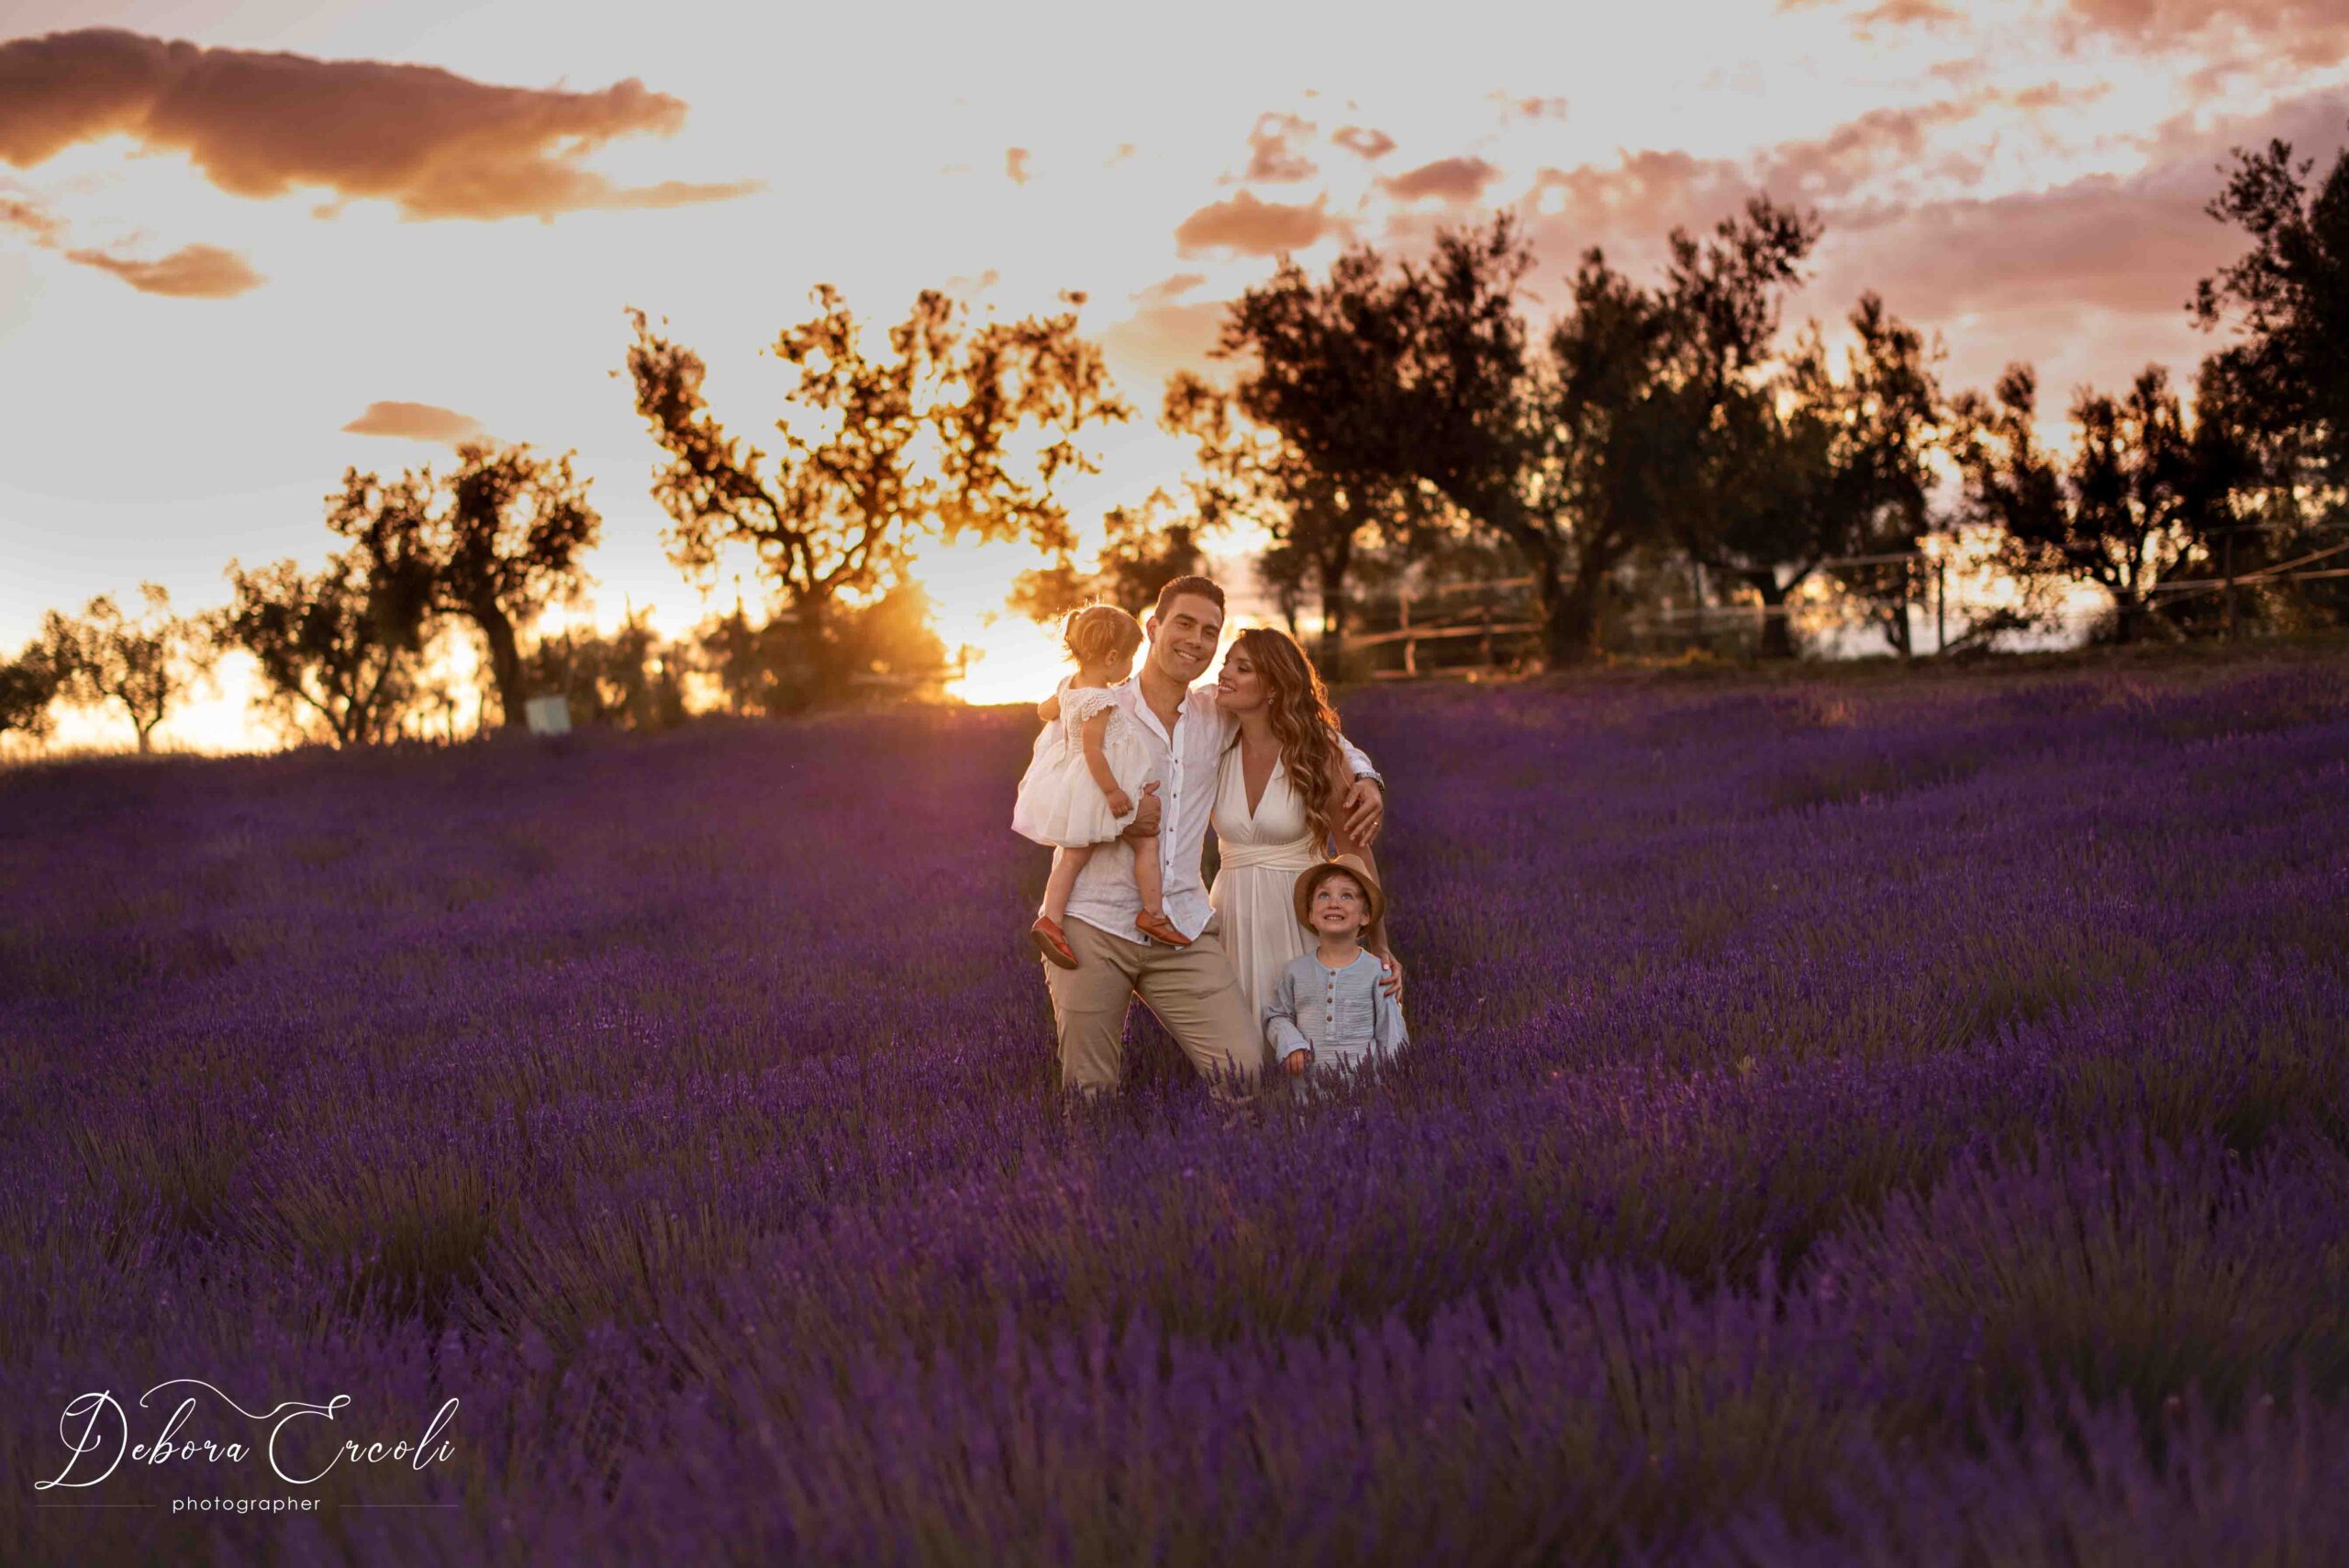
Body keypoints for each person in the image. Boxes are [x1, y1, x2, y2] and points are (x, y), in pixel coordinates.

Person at [1033, 575, 1387, 1106]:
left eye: (1209, 632)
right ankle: (1091, 1182)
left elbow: (1299, 720)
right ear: (1152, 628)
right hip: (1094, 922)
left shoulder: (1214, 715)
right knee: (1091, 1092)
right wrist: (1119, 822)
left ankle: (1251, 1175)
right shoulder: (1094, 708)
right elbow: (1045, 801)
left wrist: (1365, 775)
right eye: (1183, 623)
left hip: (1181, 925)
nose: (1195, 641)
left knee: (1244, 1076)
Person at [1208, 627, 1400, 1062]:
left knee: (1314, 1052)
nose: (1224, 674)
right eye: (1226, 664)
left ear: (1274, 686)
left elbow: (1356, 852)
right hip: (1231, 912)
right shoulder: (1215, 742)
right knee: (1240, 1061)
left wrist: (1380, 946)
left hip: (1297, 911)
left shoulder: (1318, 751)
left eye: (1242, 667)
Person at [1014, 604, 1188, 965]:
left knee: (1073, 856)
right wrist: (1113, 792)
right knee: (1144, 842)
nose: (1130, 669)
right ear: (1111, 657)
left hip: (1078, 782)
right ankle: (1153, 914)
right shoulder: (1101, 700)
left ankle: (1051, 919)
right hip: (1099, 783)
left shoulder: (1069, 684)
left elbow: (1044, 711)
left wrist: (1061, 708)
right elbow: (1094, 751)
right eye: (1128, 660)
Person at [1264, 854, 1408, 1084]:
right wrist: (1291, 1043)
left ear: (1365, 916)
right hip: (1309, 1098)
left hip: (1364, 1095)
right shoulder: (1295, 971)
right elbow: (1277, 1015)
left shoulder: (1377, 972)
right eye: (1324, 895)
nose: (1334, 903)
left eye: (1347, 896)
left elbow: (1391, 1035)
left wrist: (1391, 1087)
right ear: (1311, 913)